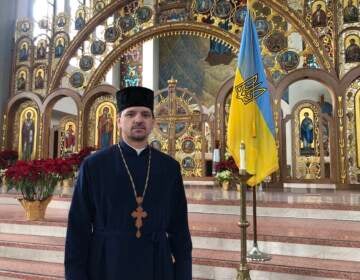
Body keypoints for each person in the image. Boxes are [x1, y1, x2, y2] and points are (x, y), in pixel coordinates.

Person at [65, 86, 192, 280]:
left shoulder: (169, 167)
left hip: (156, 263)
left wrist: (183, 274)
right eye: (130, 114)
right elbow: (78, 229)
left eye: (145, 114)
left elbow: (179, 228)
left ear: (153, 122)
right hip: (107, 263)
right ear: (118, 121)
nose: (138, 119)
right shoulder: (94, 165)